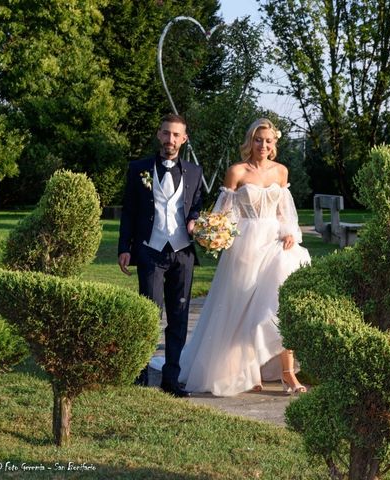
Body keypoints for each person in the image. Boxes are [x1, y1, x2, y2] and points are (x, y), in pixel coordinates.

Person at [179, 118, 311, 397]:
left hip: (276, 244)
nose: (263, 145)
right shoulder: (236, 171)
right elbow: (225, 214)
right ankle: (247, 371)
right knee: (241, 309)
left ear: (275, 144)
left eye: (268, 141)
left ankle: (288, 372)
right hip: (246, 246)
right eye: (257, 139)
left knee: (277, 305)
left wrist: (290, 232)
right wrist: (216, 232)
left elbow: (285, 212)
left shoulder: (281, 172)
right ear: (249, 141)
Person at [118, 113, 203, 398]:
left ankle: (171, 378)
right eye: (166, 133)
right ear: (159, 134)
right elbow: (128, 210)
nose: (170, 139)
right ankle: (140, 372)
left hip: (182, 252)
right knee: (148, 313)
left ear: (184, 138)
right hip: (150, 250)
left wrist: (194, 221)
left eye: (176, 135)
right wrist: (124, 248)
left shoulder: (194, 171)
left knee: (178, 316)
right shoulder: (138, 168)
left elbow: (196, 207)